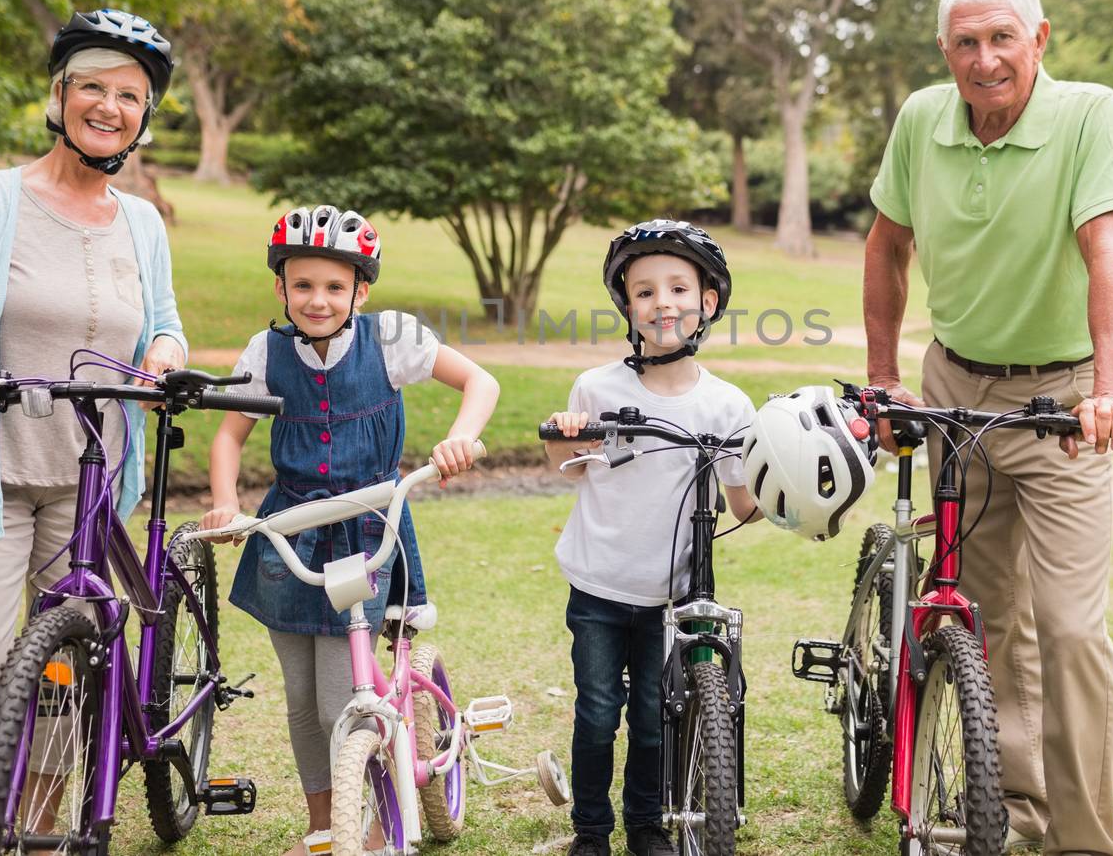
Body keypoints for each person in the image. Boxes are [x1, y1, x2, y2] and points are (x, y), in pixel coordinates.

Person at [864, 0, 1113, 856]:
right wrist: (883, 377)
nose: (984, 60)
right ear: (945, 50)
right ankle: (1012, 807)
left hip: (1062, 403)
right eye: (965, 43)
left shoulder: (1091, 114)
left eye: (1002, 39)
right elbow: (887, 247)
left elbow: (1112, 257)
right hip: (954, 391)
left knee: (1068, 627)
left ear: (1040, 39)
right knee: (982, 615)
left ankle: (1084, 841)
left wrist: (1112, 390)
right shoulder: (922, 119)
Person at [0, 8, 188, 855]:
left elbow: (164, 324)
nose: (110, 105)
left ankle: (42, 827)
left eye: (130, 95)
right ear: (58, 96)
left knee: (68, 674)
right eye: (92, 85)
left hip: (92, 480)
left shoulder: (142, 223)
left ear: (143, 116)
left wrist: (164, 357)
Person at [199, 203, 499, 856]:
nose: (317, 298)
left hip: (364, 528)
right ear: (280, 286)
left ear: (361, 289)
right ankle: (325, 827)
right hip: (291, 526)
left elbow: (480, 380)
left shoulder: (390, 338)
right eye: (302, 284)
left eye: (335, 286)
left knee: (343, 692)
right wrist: (226, 501)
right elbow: (228, 434)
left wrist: (460, 438)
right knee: (303, 698)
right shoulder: (266, 352)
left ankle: (365, 824)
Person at [543, 219, 761, 856]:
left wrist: (786, 498)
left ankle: (646, 824)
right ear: (627, 306)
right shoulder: (599, 388)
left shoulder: (728, 406)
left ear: (707, 303)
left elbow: (742, 501)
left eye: (677, 289)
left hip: (672, 596)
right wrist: (568, 432)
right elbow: (567, 462)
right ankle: (590, 830)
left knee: (651, 722)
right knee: (597, 713)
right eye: (644, 292)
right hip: (600, 587)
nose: (662, 303)